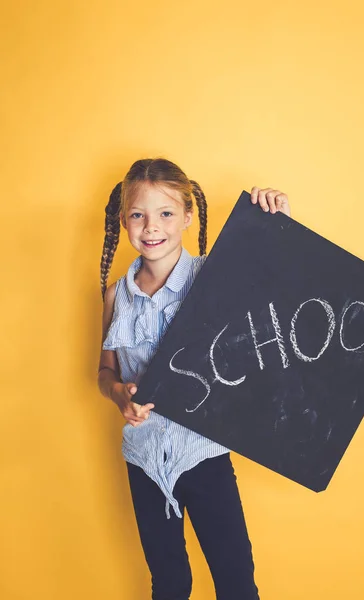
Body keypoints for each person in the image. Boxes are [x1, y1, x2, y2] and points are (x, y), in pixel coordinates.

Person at [97, 157, 291, 600]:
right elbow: (105, 370)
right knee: (169, 584)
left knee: (236, 582)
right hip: (144, 460)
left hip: (203, 454)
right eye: (138, 215)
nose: (151, 227)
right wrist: (118, 396)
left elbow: (274, 290)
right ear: (124, 220)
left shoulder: (214, 277)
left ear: (187, 217)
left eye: (166, 214)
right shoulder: (115, 296)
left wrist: (274, 220)